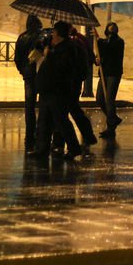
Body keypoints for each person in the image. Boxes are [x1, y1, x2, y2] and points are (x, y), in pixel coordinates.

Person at [27, 21, 83, 160]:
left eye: (54, 32)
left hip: (58, 91)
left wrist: (50, 54)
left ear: (58, 33)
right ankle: (42, 149)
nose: (51, 34)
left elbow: (63, 68)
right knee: (44, 122)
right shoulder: (56, 46)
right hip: (47, 91)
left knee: (61, 122)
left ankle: (74, 148)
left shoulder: (69, 48)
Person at [14, 15, 44, 151]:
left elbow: (17, 59)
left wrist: (23, 71)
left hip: (28, 76)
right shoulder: (43, 36)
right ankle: (41, 133)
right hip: (42, 75)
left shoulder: (21, 38)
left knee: (29, 106)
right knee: (44, 105)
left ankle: (29, 136)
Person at [95, 22, 125, 139]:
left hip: (113, 74)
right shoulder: (105, 42)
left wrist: (98, 39)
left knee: (109, 100)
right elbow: (102, 53)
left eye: (113, 29)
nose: (111, 31)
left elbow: (109, 48)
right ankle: (113, 119)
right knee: (100, 99)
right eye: (110, 29)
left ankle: (110, 128)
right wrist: (98, 59)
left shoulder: (119, 42)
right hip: (104, 73)